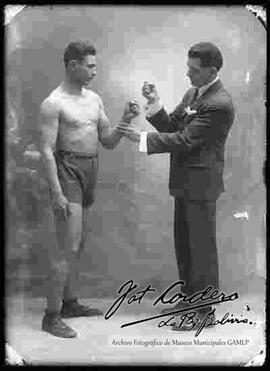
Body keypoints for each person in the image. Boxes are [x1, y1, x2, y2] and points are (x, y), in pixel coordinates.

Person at [119, 42, 235, 331]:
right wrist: (156, 103)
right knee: (185, 246)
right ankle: (189, 300)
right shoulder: (193, 93)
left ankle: (204, 312)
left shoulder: (219, 103)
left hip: (202, 185)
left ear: (212, 70)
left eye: (193, 70)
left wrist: (142, 139)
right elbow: (173, 128)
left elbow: (186, 140)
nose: (188, 74)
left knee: (202, 249)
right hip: (185, 183)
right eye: (187, 67)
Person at [38, 40, 140, 338]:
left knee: (77, 245)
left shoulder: (94, 99)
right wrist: (56, 192)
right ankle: (51, 316)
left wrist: (126, 119)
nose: (95, 71)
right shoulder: (53, 103)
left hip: (90, 170)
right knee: (66, 246)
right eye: (90, 66)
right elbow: (46, 151)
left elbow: (107, 140)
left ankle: (69, 303)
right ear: (73, 65)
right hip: (67, 171)